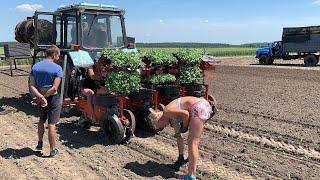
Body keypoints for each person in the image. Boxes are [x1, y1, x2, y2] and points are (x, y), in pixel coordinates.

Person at [150, 96, 217, 180]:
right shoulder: (172, 118)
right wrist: (180, 155)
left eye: (161, 126)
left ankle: (191, 176)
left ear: (160, 120)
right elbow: (178, 136)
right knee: (193, 141)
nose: (164, 126)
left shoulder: (167, 111)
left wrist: (185, 126)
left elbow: (185, 114)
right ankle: (190, 159)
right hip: (202, 106)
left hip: (198, 107)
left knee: (193, 142)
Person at [29, 45, 63, 157]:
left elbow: (32, 85)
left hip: (40, 99)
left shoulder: (35, 67)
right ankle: (53, 150)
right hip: (53, 98)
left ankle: (39, 144)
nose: (58, 56)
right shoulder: (57, 68)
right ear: (53, 55)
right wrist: (45, 96)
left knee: (41, 120)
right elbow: (54, 88)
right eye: (58, 54)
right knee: (52, 124)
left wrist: (40, 97)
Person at [78, 60, 103, 127]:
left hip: (96, 87)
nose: (101, 63)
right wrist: (103, 76)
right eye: (99, 62)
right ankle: (92, 115)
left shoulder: (103, 68)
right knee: (90, 93)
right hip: (86, 87)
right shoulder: (90, 68)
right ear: (95, 62)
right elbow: (92, 76)